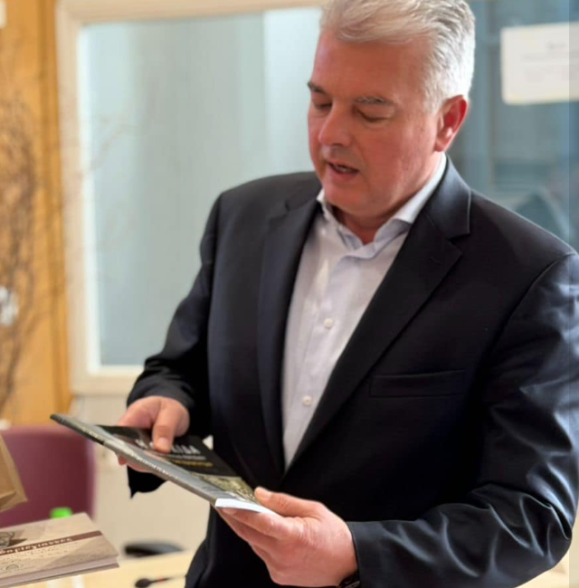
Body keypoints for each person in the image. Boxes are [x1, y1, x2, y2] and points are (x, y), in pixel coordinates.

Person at [118, 0, 578, 586]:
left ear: (447, 121)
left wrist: (358, 554)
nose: (331, 133)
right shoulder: (242, 217)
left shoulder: (528, 275)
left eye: (370, 111)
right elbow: (181, 367)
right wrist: (166, 400)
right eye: (320, 101)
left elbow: (530, 519)